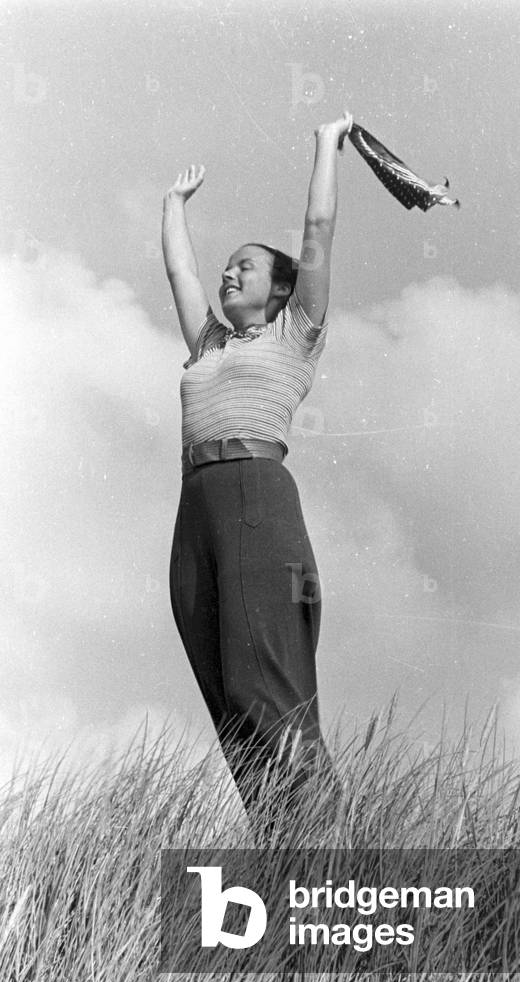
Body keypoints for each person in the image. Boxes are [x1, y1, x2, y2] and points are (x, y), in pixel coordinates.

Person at [162, 112, 352, 824]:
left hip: (255, 501)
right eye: (228, 263)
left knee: (260, 683)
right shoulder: (208, 343)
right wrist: (172, 207)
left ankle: (331, 841)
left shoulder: (294, 333)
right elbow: (180, 270)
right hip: (197, 511)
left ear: (278, 291)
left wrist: (325, 146)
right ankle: (282, 838)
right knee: (226, 699)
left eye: (244, 265)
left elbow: (317, 233)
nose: (227, 270)